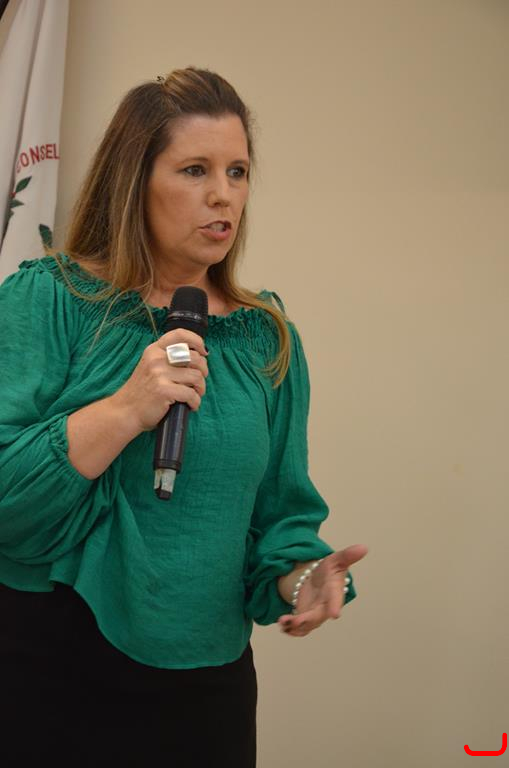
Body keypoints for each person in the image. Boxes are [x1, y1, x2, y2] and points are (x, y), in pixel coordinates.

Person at [0, 66, 368, 767]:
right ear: (133, 181)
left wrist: (302, 578)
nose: (223, 194)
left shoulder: (266, 338)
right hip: (47, 668)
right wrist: (125, 408)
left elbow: (280, 520)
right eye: (195, 169)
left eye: (238, 172)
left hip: (206, 689)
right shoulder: (47, 300)